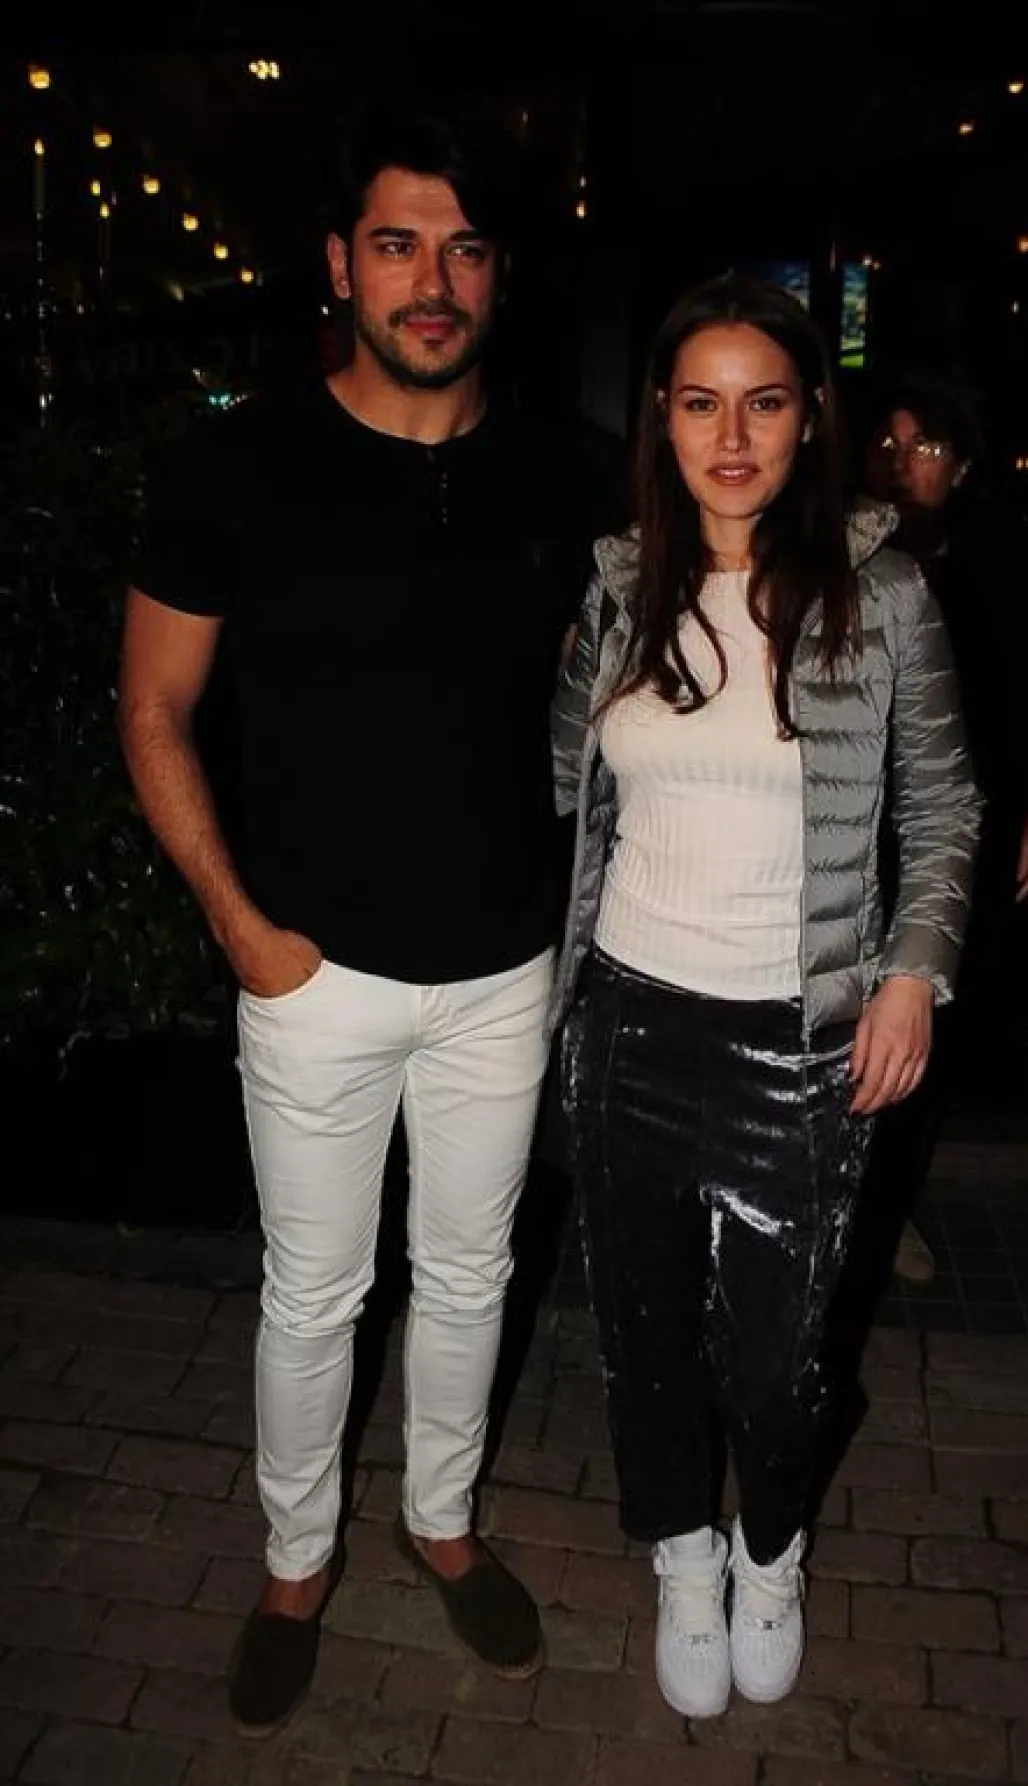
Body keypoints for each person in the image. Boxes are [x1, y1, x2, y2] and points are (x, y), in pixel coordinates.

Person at [118, 96, 621, 1734]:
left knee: (471, 1274)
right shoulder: (234, 462)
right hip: (310, 968)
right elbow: (151, 710)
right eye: (399, 244)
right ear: (339, 263)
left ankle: (444, 1523)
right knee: (314, 1293)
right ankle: (294, 1562)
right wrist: (242, 929)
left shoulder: (568, 476)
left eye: (464, 249)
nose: (433, 280)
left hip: (502, 970)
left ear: (500, 275)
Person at [550, 276, 980, 1718]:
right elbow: (568, 780)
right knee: (644, 1330)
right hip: (628, 1018)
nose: (731, 436)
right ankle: (683, 1550)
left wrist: (911, 973)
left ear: (809, 421)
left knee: (780, 1360)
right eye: (700, 402)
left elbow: (948, 807)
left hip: (797, 1039)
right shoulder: (622, 587)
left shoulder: (883, 594)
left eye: (764, 402)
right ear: (662, 421)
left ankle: (770, 1549)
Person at [860, 373, 1028, 1285]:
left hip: (960, 829)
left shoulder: (1004, 560)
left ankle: (887, 1206)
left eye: (928, 447)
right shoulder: (844, 552)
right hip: (851, 828)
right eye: (891, 445)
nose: (906, 463)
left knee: (923, 1021)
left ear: (962, 466)